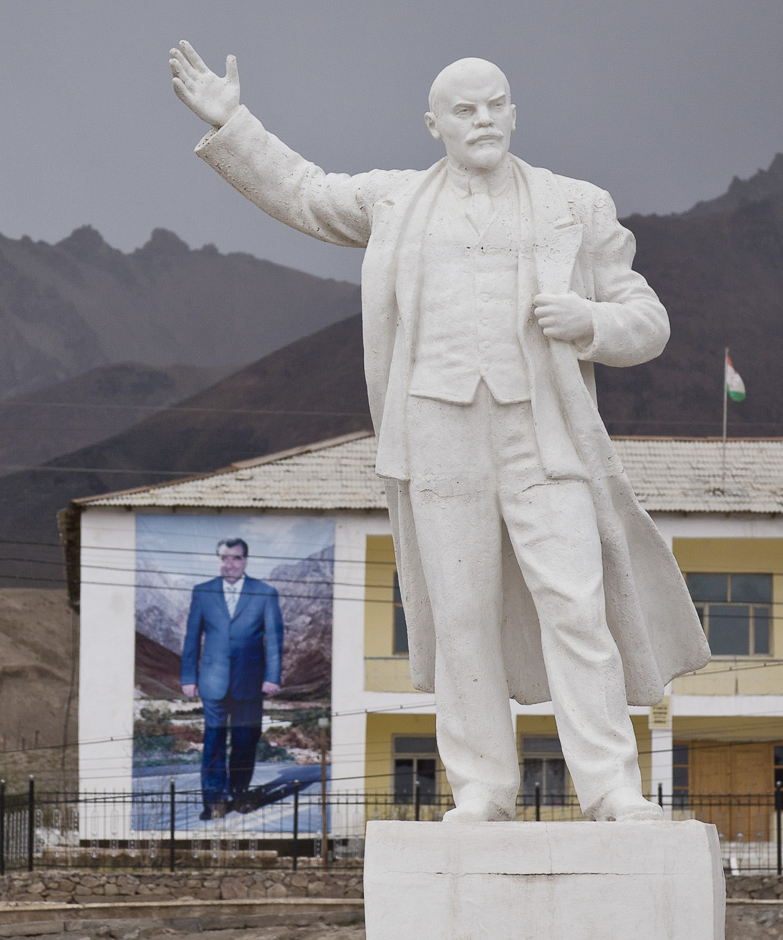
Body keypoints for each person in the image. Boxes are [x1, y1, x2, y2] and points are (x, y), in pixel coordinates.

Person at [169, 45, 710, 823]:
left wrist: (591, 321)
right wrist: (232, 123)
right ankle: (484, 788)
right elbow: (305, 191)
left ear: (515, 113)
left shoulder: (575, 205)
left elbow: (647, 319)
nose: (483, 119)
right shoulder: (395, 202)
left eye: (495, 104)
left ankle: (610, 788)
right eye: (464, 109)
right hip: (438, 432)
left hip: (543, 436)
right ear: (433, 125)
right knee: (461, 618)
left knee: (577, 609)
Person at [179, 538, 284, 820]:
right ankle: (214, 801)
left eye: (236, 559)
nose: (230, 564)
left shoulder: (265, 593)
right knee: (213, 741)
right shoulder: (203, 592)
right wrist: (189, 676)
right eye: (224, 558)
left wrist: (272, 677)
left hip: (250, 682)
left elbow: (274, 640)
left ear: (245, 561)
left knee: (245, 741)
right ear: (218, 560)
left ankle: (238, 795)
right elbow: (192, 638)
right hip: (212, 682)